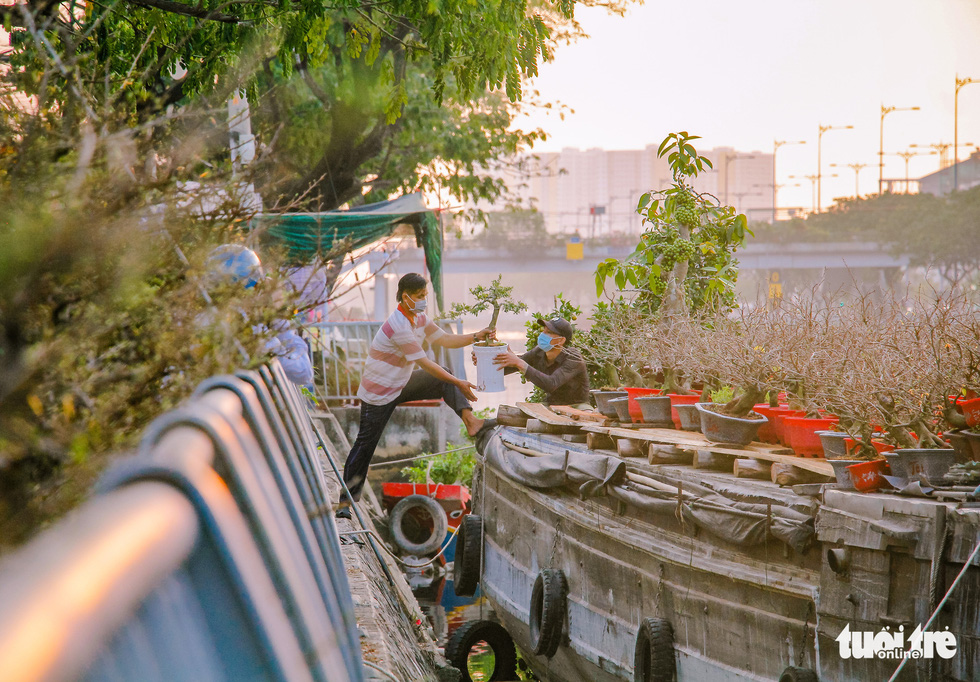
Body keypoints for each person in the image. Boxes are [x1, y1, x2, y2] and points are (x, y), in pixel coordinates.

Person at [336, 273, 495, 518]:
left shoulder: (419, 317)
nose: (424, 301)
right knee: (365, 445)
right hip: (379, 391)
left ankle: (471, 421)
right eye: (420, 296)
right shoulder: (398, 325)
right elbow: (425, 362)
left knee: (445, 376)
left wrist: (477, 335)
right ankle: (346, 503)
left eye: (425, 296)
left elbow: (444, 339)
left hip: (400, 381)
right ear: (406, 297)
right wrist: (460, 383)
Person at [204, 244, 314, 386]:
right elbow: (302, 372)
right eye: (258, 286)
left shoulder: (205, 318)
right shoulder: (249, 330)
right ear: (249, 289)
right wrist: (278, 317)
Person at [490, 317, 591, 409]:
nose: (543, 335)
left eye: (549, 332)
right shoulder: (539, 352)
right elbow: (511, 366)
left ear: (561, 340)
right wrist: (487, 359)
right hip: (552, 405)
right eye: (544, 331)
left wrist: (519, 363)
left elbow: (551, 383)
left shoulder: (573, 357)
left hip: (577, 406)